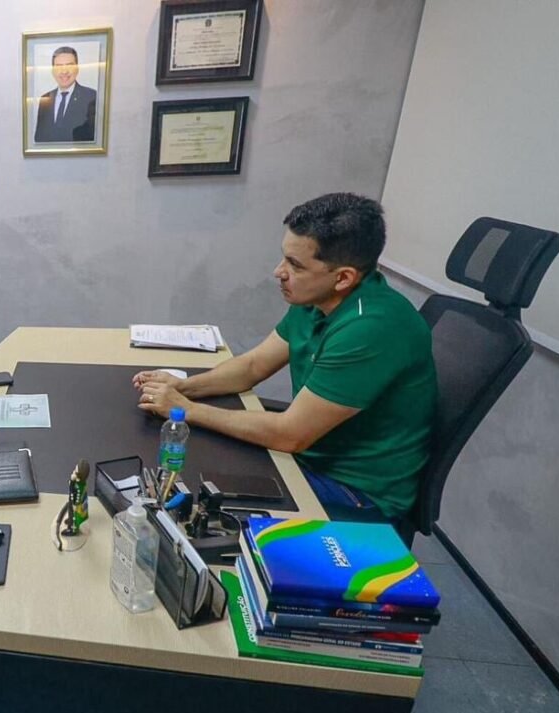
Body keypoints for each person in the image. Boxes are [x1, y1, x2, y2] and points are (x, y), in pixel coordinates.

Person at [134, 193, 437, 525]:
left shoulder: (372, 328)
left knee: (185, 493)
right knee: (178, 470)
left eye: (295, 265)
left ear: (343, 278)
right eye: (284, 258)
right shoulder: (319, 299)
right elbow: (252, 367)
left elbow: (290, 434)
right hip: (308, 459)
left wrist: (186, 410)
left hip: (354, 492)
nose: (279, 272)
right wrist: (185, 387)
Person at [33, 46, 97, 143]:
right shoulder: (45, 99)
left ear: (77, 69)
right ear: (53, 70)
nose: (64, 71)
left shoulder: (91, 97)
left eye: (69, 66)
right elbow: (39, 139)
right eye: (59, 66)